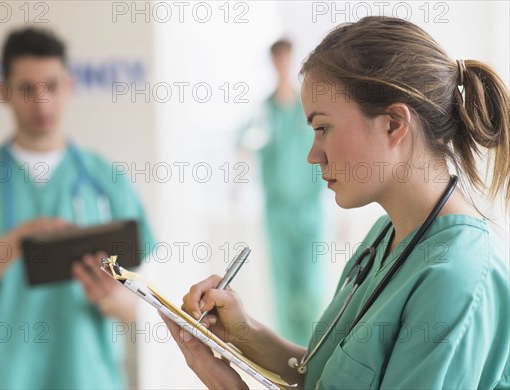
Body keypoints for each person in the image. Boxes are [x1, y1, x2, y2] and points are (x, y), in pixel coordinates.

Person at [162, 16, 509, 389]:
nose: (313, 156)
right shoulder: (385, 237)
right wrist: (243, 333)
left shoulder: (457, 275)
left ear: (393, 124)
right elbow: (321, 375)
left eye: (323, 128)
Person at [0, 28, 155, 389]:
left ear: (70, 85)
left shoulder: (107, 179)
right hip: (5, 376)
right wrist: (15, 243)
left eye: (51, 86)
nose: (42, 102)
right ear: (4, 92)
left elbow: (136, 305)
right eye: (27, 89)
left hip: (88, 376)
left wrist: (112, 298)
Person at [238, 39, 326, 345]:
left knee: (312, 286)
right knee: (283, 288)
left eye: (287, 59)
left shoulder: (310, 109)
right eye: (277, 60)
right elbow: (244, 144)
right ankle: (288, 353)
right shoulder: (264, 110)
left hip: (310, 210)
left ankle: (313, 351)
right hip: (277, 210)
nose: (282, 65)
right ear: (272, 63)